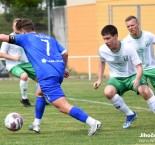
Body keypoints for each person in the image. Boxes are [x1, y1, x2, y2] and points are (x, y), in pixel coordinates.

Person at [0, 18, 102, 136]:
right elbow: (65, 53)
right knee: (39, 93)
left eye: (18, 32)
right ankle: (36, 124)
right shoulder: (48, 37)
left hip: (46, 75)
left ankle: (93, 122)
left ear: (22, 31)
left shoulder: (24, 37)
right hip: (57, 71)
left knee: (63, 107)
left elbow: (2, 36)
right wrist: (63, 68)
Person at [93, 24, 155, 129]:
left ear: (116, 36)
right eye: (104, 39)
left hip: (132, 75)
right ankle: (130, 114)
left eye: (108, 38)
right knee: (108, 92)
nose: (106, 41)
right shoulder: (102, 50)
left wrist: (137, 79)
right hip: (117, 79)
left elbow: (139, 67)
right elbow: (102, 63)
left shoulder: (128, 47)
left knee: (144, 91)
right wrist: (99, 79)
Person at [0, 18, 49, 107]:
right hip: (13, 64)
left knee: (41, 77)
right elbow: (1, 53)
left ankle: (41, 98)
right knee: (24, 76)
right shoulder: (9, 38)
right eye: (15, 25)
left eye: (18, 25)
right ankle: (24, 98)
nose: (16, 27)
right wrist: (13, 57)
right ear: (13, 26)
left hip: (26, 63)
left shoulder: (26, 37)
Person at [123, 15, 155, 112]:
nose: (130, 28)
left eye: (132, 25)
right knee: (144, 91)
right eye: (128, 26)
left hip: (152, 68)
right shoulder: (126, 41)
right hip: (138, 70)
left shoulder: (148, 35)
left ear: (138, 24)